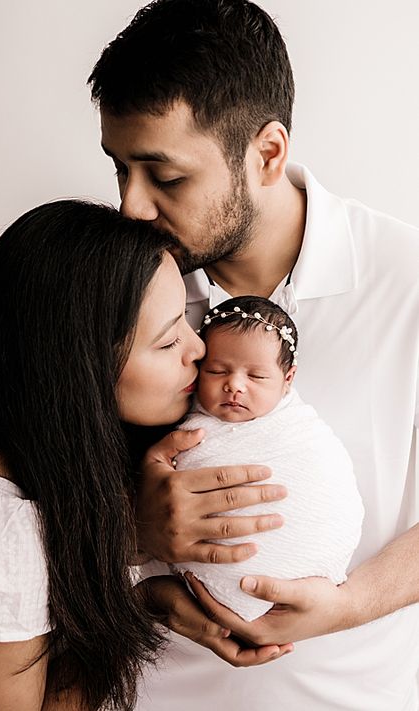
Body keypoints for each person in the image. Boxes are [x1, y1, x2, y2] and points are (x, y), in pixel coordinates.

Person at [88, 0, 419, 708]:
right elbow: (23, 492)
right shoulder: (112, 288)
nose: (131, 208)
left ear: (268, 153)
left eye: (164, 176)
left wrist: (350, 601)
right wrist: (137, 549)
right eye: (120, 170)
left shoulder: (407, 278)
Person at [0, 200, 285, 710]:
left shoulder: (61, 472)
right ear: (79, 368)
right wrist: (127, 566)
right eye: (169, 342)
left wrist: (149, 597)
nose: (199, 351)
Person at [170, 295, 364, 621]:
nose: (234, 385)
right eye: (217, 370)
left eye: (256, 377)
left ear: (288, 379)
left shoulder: (301, 432)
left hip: (317, 607)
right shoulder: (178, 426)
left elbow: (328, 487)